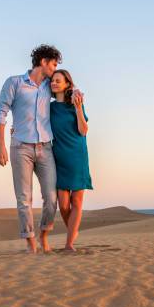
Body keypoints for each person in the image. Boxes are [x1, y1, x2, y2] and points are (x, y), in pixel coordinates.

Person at [0, 44, 81, 253]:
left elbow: (67, 88)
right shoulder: (14, 82)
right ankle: (30, 242)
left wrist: (75, 90)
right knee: (24, 199)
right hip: (20, 148)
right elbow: (0, 113)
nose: (55, 69)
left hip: (46, 149)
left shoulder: (50, 86)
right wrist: (0, 145)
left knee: (51, 198)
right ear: (43, 62)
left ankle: (44, 234)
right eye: (53, 64)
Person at [49, 69, 93, 251]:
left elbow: (83, 130)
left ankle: (69, 244)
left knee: (76, 202)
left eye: (58, 80)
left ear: (67, 83)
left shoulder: (76, 103)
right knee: (63, 205)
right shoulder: (49, 107)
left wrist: (77, 107)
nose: (54, 83)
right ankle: (73, 232)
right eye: (52, 80)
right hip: (58, 156)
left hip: (77, 154)